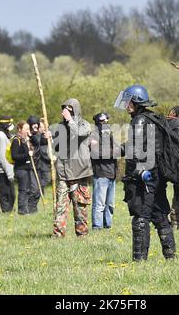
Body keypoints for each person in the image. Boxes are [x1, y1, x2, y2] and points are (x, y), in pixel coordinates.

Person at [115, 85, 176, 261]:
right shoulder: (153, 119)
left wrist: (117, 151)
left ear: (137, 102)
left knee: (141, 217)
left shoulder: (140, 121)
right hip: (156, 176)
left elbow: (135, 149)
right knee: (160, 215)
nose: (126, 106)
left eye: (128, 102)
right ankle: (170, 256)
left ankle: (139, 260)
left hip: (144, 178)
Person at [51, 99, 93, 238]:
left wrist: (70, 121)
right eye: (65, 108)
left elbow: (78, 134)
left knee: (79, 206)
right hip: (63, 171)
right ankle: (58, 234)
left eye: (70, 108)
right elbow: (57, 147)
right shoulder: (60, 127)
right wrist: (51, 138)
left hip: (79, 172)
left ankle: (82, 234)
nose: (66, 111)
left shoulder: (84, 125)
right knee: (60, 206)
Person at [90, 112, 118, 230]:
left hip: (112, 173)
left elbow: (118, 150)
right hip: (101, 174)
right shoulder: (93, 135)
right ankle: (97, 227)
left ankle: (108, 226)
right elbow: (96, 153)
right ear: (97, 123)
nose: (106, 123)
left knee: (110, 204)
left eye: (107, 120)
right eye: (103, 121)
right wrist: (112, 152)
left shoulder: (109, 135)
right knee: (99, 204)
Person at [11, 121, 41, 215]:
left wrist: (31, 136)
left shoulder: (26, 139)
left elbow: (37, 143)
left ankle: (26, 209)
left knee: (28, 189)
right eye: (26, 129)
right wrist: (26, 155)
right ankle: (22, 210)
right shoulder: (17, 140)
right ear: (20, 129)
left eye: (28, 128)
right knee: (23, 190)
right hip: (20, 169)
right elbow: (14, 156)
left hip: (27, 168)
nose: (28, 130)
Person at [0, 116, 16, 213]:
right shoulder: (0, 136)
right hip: (3, 171)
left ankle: (8, 211)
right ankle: (6, 212)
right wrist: (10, 174)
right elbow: (3, 156)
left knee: (10, 194)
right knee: (7, 194)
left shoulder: (2, 135)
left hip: (5, 170)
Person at [28, 116, 52, 192]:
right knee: (36, 184)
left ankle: (40, 190)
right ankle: (39, 191)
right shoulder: (30, 135)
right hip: (34, 163)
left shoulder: (41, 135)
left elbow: (45, 142)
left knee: (46, 179)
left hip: (44, 162)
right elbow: (37, 141)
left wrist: (49, 137)